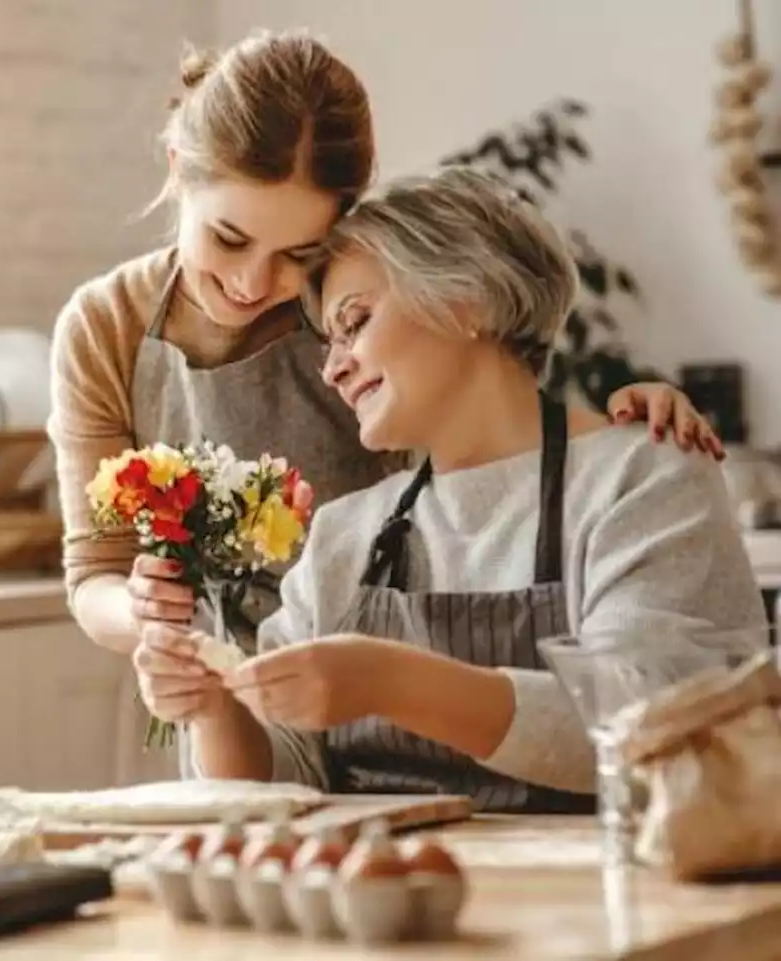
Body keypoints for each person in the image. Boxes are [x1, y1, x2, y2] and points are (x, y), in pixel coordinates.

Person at [49, 29, 724, 661]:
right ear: (177, 169)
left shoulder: (357, 304)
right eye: (228, 238)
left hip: (381, 685)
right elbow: (93, 575)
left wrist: (614, 432)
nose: (253, 282)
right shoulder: (105, 328)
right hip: (217, 689)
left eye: (299, 253)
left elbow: (490, 440)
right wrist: (148, 613)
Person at [133, 165, 767, 812]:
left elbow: (654, 727)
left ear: (468, 299)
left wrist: (391, 679)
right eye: (329, 341)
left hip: (608, 897)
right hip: (395, 902)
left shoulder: (641, 478)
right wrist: (215, 709)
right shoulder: (344, 535)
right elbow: (283, 779)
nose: (332, 366)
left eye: (355, 322)